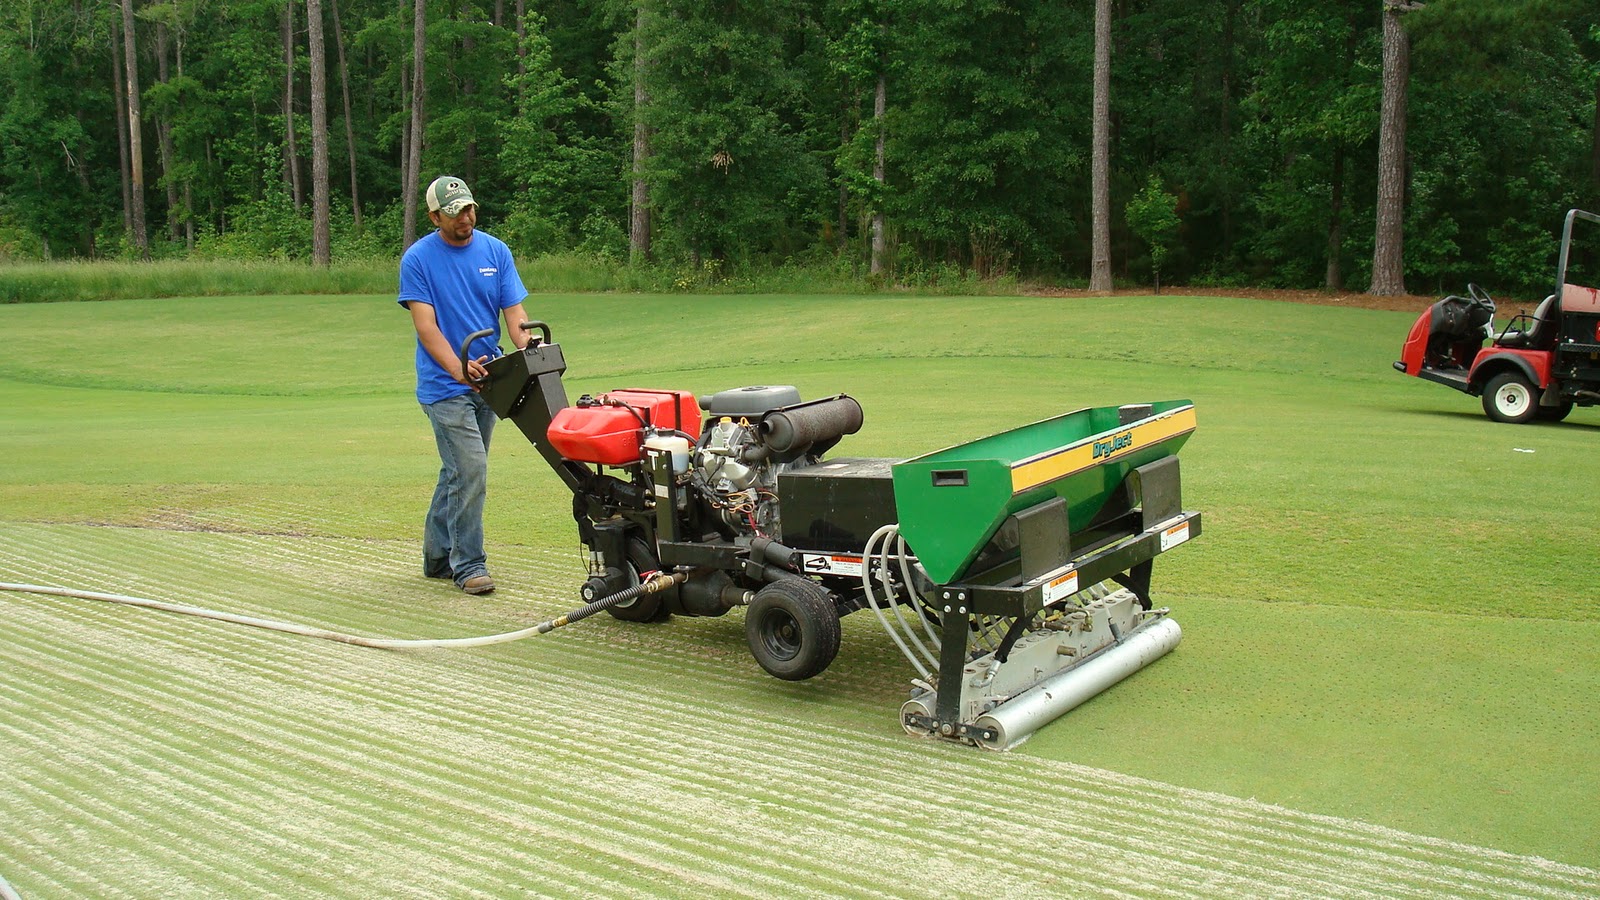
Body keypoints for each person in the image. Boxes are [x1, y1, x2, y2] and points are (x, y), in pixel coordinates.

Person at [397, 175, 531, 594]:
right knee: (471, 469)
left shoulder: (495, 250)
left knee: (458, 472)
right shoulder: (418, 259)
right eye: (455, 214)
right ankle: (468, 564)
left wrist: (530, 345)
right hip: (444, 385)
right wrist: (458, 367)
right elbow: (426, 327)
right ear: (435, 216)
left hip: (489, 382)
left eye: (470, 209)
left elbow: (514, 314)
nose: (466, 219)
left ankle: (436, 557)